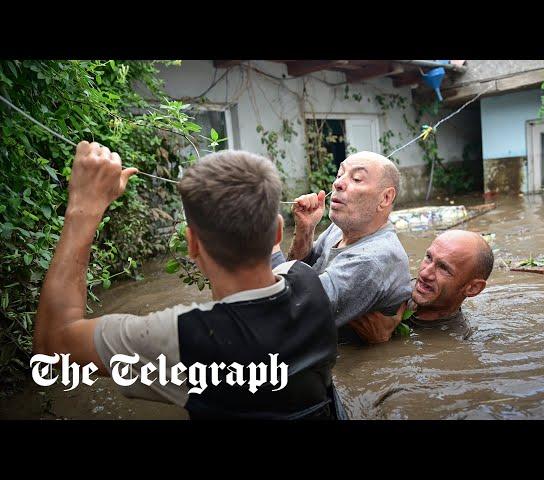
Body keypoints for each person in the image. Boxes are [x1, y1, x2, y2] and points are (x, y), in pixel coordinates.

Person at [34, 142, 341, 419]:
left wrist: (83, 206)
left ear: (191, 245)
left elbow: (52, 345)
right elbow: (282, 269)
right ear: (277, 232)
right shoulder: (311, 283)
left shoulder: (182, 338)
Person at [271, 151, 412, 343]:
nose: (337, 184)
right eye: (339, 175)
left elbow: (289, 312)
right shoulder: (340, 229)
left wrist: (269, 244)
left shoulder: (374, 258)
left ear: (385, 198)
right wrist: (305, 230)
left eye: (356, 178)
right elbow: (300, 271)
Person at [350, 229, 494, 343]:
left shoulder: (454, 341)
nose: (425, 273)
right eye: (428, 257)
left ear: (473, 288)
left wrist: (379, 342)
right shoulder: (395, 286)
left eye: (444, 268)